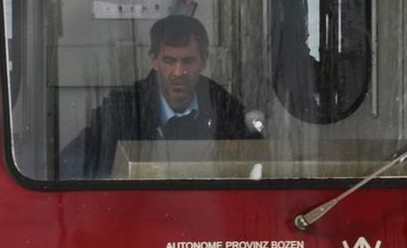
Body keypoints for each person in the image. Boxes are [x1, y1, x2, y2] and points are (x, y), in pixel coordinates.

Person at [60, 14, 259, 178]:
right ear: (153, 60)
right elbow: (71, 166)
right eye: (169, 61)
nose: (179, 72)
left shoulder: (225, 108)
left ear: (204, 60)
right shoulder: (125, 110)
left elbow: (259, 164)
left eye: (188, 61)